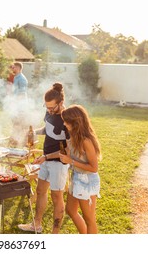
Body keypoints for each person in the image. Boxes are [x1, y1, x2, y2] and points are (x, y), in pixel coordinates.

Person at [18, 82, 69, 233]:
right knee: (40, 191)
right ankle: (37, 225)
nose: (49, 111)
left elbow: (67, 151)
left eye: (52, 107)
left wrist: (46, 157)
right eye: (46, 107)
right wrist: (35, 133)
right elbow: (48, 129)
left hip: (59, 163)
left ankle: (55, 234)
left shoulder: (67, 119)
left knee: (56, 197)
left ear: (61, 103)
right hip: (46, 159)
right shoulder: (49, 113)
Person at [59, 105, 101, 234]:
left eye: (66, 121)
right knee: (71, 210)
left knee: (90, 219)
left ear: (75, 123)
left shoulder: (86, 141)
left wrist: (70, 161)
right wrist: (45, 157)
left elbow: (94, 168)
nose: (64, 123)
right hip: (76, 177)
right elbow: (69, 155)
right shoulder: (72, 137)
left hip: (87, 180)